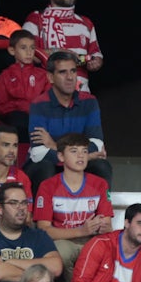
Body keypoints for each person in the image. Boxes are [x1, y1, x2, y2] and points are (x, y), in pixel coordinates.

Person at [32, 134, 113, 277]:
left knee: (108, 250)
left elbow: (107, 224)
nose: (80, 156)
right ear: (61, 157)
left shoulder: (100, 184)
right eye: (74, 151)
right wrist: (81, 231)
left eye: (84, 151)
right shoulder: (48, 186)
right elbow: (44, 229)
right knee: (59, 252)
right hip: (63, 241)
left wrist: (103, 226)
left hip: (91, 240)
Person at [25, 52, 112, 187]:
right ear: (50, 77)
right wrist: (84, 156)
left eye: (73, 71)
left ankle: (102, 208)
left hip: (72, 161)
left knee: (101, 166)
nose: (70, 77)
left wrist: (54, 145)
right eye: (63, 72)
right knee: (45, 168)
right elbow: (38, 153)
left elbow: (97, 145)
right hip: (46, 164)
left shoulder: (89, 102)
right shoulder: (39, 104)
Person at [24, 0, 103, 94]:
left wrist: (96, 62)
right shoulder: (36, 19)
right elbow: (24, 54)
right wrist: (60, 54)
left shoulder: (85, 23)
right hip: (47, 96)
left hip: (82, 97)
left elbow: (96, 54)